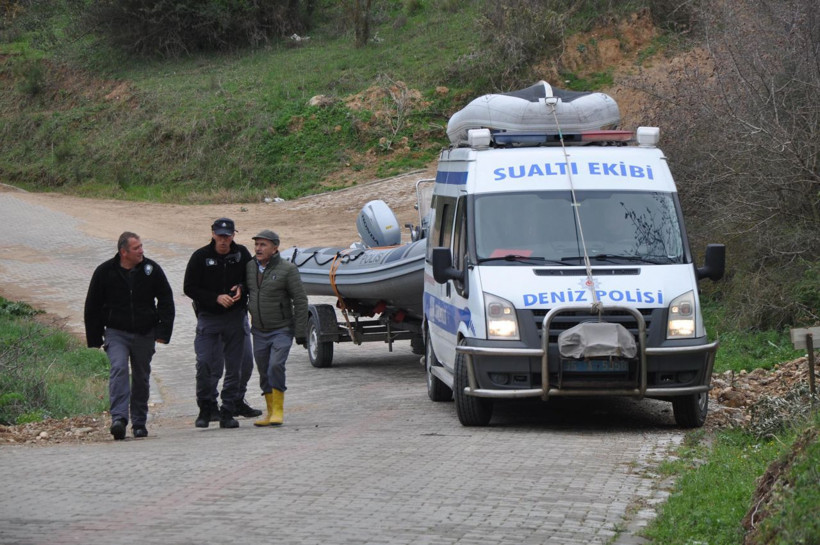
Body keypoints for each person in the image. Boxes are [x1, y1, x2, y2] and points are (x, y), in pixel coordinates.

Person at [84, 232, 175, 440]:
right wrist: (95, 338)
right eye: (136, 248)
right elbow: (92, 305)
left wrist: (163, 332)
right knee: (119, 368)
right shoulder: (105, 272)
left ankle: (140, 422)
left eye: (142, 246)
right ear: (123, 252)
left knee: (142, 377)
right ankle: (119, 419)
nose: (142, 251)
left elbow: (166, 300)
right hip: (116, 332)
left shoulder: (151, 270)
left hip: (144, 333)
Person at [184, 218, 260, 429]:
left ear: (233, 235)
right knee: (206, 363)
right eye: (220, 236)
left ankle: (229, 409)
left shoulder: (242, 254)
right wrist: (215, 298)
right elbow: (189, 287)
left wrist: (241, 289)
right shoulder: (200, 256)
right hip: (209, 317)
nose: (223, 240)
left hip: (235, 316)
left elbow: (251, 279)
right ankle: (206, 408)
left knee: (236, 366)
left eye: (227, 236)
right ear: (213, 234)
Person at [246, 229, 308, 427]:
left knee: (275, 365)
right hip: (258, 330)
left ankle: (279, 410)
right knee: (264, 370)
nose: (258, 248)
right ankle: (270, 411)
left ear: (275, 248)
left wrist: (301, 331)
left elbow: (300, 300)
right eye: (256, 244)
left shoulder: (288, 269)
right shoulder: (249, 267)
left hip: (281, 328)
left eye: (263, 245)